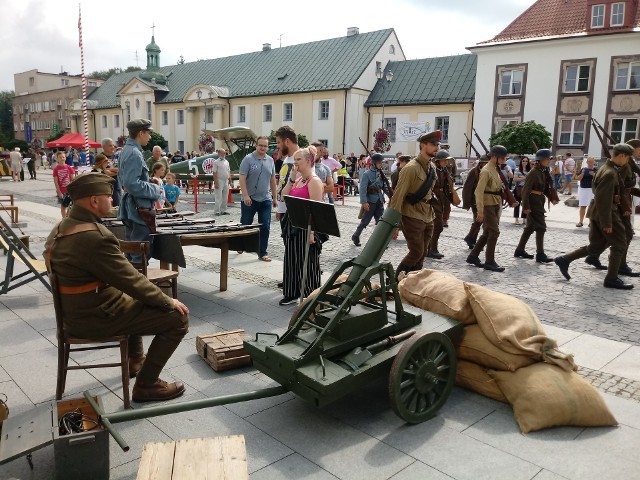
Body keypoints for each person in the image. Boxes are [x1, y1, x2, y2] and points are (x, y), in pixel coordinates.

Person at [43, 173, 189, 402]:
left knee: (134, 300)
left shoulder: (63, 227)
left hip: (76, 313)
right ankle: (147, 385)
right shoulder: (94, 237)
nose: (113, 201)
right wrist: (167, 300)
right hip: (96, 317)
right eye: (109, 197)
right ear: (93, 201)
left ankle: (135, 361)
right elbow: (131, 280)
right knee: (177, 318)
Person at [554, 144, 636, 289]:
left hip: (599, 211)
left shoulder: (606, 168)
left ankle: (565, 259)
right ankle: (611, 279)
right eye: (628, 157)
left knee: (597, 245)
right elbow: (603, 198)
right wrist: (607, 223)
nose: (628, 160)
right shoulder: (610, 173)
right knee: (620, 243)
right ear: (622, 155)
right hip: (606, 212)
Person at [390, 131, 439, 279]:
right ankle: (395, 280)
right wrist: (395, 224)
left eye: (437, 145)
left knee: (423, 253)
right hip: (411, 214)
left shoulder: (432, 167)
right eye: (433, 144)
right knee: (416, 251)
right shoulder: (410, 168)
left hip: (427, 215)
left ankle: (412, 282)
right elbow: (398, 196)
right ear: (423, 145)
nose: (436, 147)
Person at [278, 148, 324, 305]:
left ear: (308, 161)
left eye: (298, 160)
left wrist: (312, 234)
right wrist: (291, 179)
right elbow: (283, 197)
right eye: (295, 159)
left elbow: (316, 209)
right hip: (293, 225)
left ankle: (310, 295)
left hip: (307, 227)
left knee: (308, 261)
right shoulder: (298, 180)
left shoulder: (314, 181)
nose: (294, 163)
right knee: (291, 259)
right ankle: (291, 292)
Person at [118, 119, 162, 265]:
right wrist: (155, 189)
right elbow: (132, 184)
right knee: (140, 253)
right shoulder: (134, 153)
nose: (150, 136)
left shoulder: (127, 150)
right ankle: (138, 285)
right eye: (148, 133)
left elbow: (128, 179)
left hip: (132, 207)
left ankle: (130, 284)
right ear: (140, 133)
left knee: (132, 250)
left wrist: (148, 180)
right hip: (139, 209)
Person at [467, 145, 511, 272]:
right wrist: (480, 211)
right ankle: (489, 261)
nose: (504, 160)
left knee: (487, 233)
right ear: (494, 157)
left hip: (494, 204)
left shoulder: (495, 169)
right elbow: (478, 192)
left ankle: (473, 256)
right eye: (502, 158)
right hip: (487, 205)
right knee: (495, 232)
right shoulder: (486, 171)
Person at [514, 149, 558, 263]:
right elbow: (525, 190)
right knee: (541, 227)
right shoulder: (533, 172)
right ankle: (540, 254)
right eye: (548, 159)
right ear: (542, 160)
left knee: (530, 228)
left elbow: (544, 188)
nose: (549, 161)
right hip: (533, 201)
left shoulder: (543, 171)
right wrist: (526, 207)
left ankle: (519, 250)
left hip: (539, 200)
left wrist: (551, 197)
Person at [238, 136, 277, 262]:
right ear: (256, 145)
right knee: (246, 223)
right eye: (261, 145)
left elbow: (272, 180)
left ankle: (262, 252)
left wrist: (275, 197)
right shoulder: (248, 159)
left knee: (265, 226)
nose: (263, 148)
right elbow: (242, 178)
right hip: (250, 199)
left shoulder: (270, 160)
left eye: (265, 146)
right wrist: (245, 195)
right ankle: (240, 245)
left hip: (265, 199)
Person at [351, 154, 391, 246]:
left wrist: (391, 196)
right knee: (365, 221)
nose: (381, 164)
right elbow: (362, 189)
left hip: (379, 200)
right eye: (379, 163)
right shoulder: (367, 174)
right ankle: (356, 235)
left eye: (381, 163)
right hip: (370, 201)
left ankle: (381, 242)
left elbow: (384, 186)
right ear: (374, 163)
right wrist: (364, 202)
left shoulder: (380, 173)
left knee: (381, 222)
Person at [427, 150, 455, 258]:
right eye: (445, 160)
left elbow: (449, 184)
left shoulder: (444, 170)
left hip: (442, 199)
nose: (447, 162)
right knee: (438, 225)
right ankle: (432, 249)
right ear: (439, 161)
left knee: (436, 225)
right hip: (433, 199)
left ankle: (430, 249)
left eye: (447, 161)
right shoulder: (432, 170)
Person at [462, 155, 489, 249]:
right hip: (475, 200)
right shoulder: (474, 172)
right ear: (481, 163)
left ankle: (471, 239)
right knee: (479, 219)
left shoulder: (489, 171)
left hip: (485, 200)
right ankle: (470, 238)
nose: (486, 164)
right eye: (484, 162)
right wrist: (466, 203)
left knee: (479, 220)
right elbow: (467, 188)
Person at [53, 151, 75, 217]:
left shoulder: (69, 168)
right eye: (60, 157)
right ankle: (64, 219)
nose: (62, 158)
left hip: (69, 191)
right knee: (63, 206)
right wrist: (59, 191)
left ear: (65, 158)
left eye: (63, 157)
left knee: (70, 206)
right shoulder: (56, 169)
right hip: (61, 191)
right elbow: (56, 181)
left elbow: (73, 180)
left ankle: (67, 218)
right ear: (57, 159)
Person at [575, 157, 596, 227]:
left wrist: (594, 175)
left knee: (591, 206)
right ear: (586, 162)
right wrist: (582, 174)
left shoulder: (596, 170)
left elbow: (600, 179)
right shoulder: (583, 169)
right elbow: (578, 178)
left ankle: (591, 222)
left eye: (591, 162)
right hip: (583, 189)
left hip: (592, 190)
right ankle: (581, 222)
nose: (590, 163)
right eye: (589, 162)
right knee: (582, 206)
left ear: (594, 162)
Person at [101, 137, 122, 206]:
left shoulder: (116, 156)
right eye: (110, 145)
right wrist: (115, 170)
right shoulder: (100, 157)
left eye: (113, 145)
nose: (113, 147)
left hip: (117, 186)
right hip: (105, 187)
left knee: (117, 207)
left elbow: (121, 170)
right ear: (104, 147)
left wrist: (109, 169)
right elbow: (105, 173)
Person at [512, 156, 531, 224]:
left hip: (527, 189)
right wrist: (524, 178)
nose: (525, 162)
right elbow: (515, 179)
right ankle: (516, 219)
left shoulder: (529, 170)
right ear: (521, 161)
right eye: (523, 161)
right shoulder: (518, 169)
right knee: (517, 204)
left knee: (525, 204)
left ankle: (524, 218)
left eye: (526, 161)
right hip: (519, 188)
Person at [212, 149, 231, 215]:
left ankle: (223, 210)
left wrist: (230, 180)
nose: (224, 154)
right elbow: (214, 172)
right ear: (219, 153)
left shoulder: (227, 162)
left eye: (225, 153)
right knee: (218, 196)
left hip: (226, 180)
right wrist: (216, 182)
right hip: (219, 180)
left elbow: (228, 171)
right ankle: (217, 211)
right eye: (223, 153)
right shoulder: (216, 162)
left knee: (225, 196)